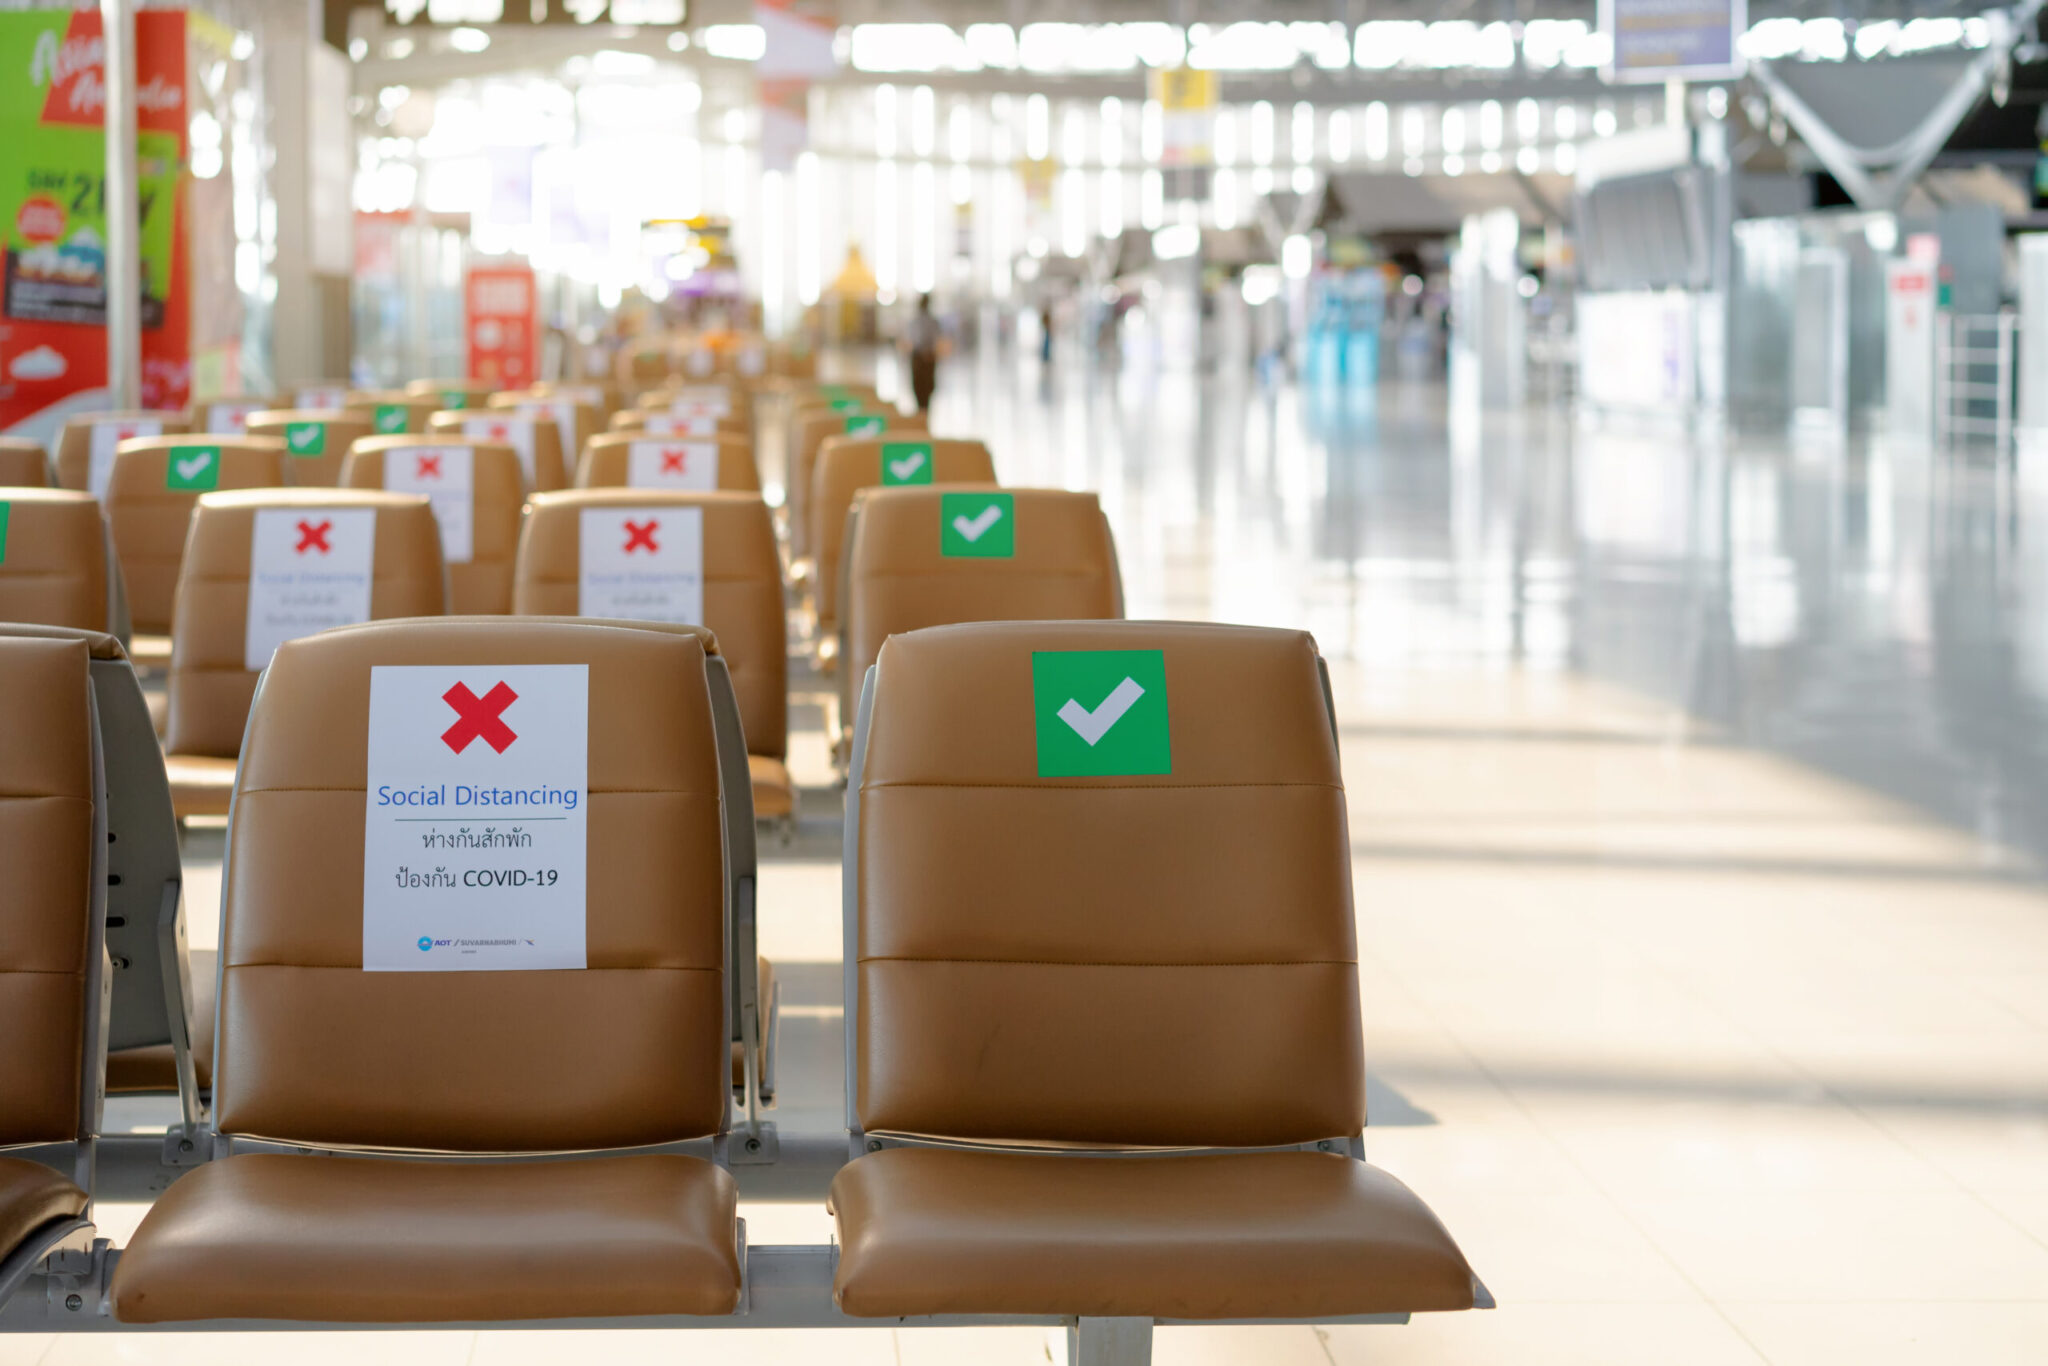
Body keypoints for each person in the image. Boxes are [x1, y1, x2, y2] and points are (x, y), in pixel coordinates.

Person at [907, 293, 941, 415]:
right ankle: (922, 410)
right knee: (923, 386)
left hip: (923, 357)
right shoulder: (928, 321)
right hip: (924, 357)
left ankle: (923, 410)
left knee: (922, 386)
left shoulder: (920, 321)